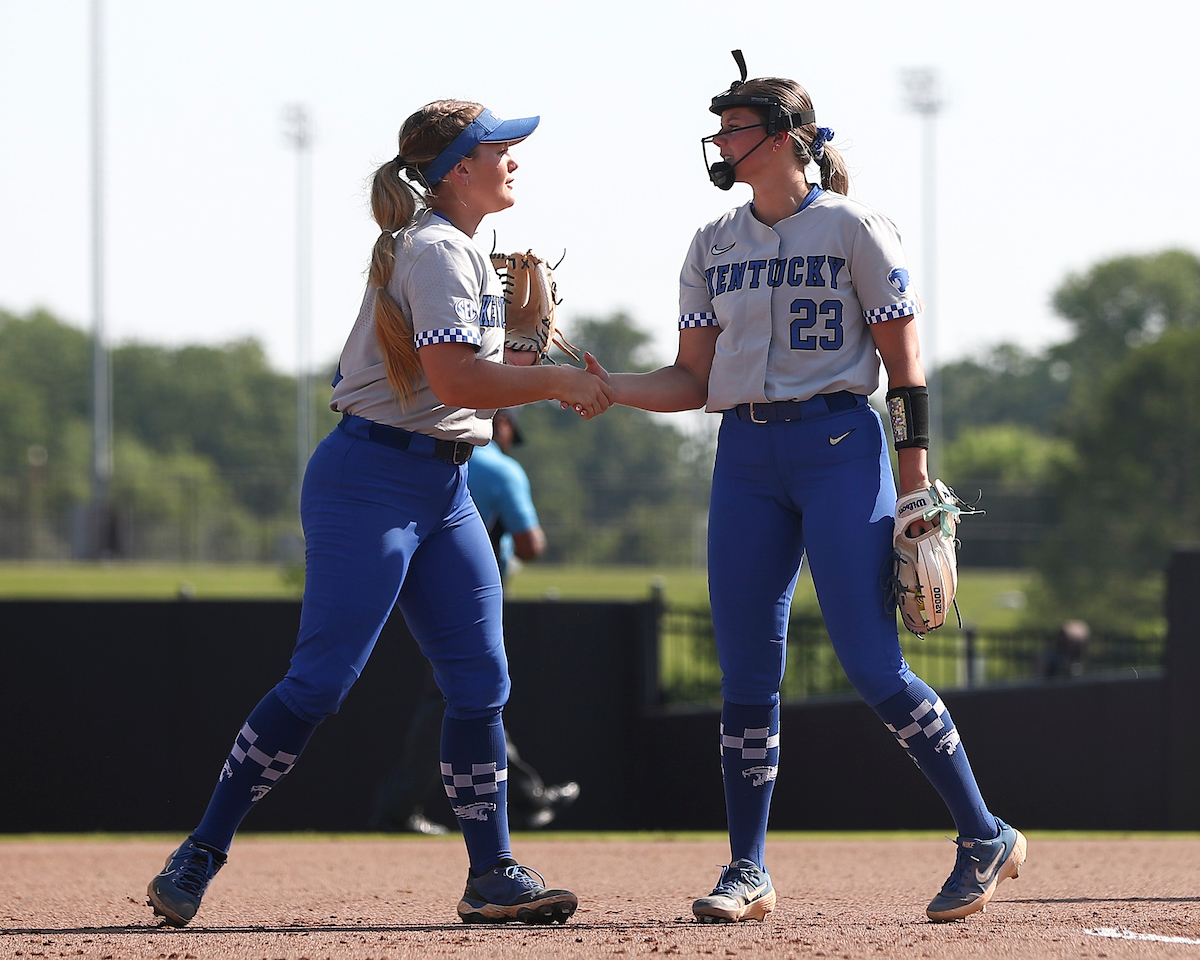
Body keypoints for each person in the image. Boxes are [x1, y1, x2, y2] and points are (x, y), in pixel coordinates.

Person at [145, 99, 613, 928]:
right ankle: (200, 852)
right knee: (321, 683)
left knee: (480, 685)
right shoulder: (436, 250)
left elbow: (470, 384)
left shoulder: (458, 249)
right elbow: (462, 385)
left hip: (445, 486)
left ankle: (491, 873)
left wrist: (532, 348)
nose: (513, 157)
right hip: (371, 480)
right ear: (456, 168)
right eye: (498, 146)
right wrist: (558, 379)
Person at [585, 54, 1026, 923]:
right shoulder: (712, 241)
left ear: (784, 139)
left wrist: (914, 488)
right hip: (745, 456)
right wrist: (609, 386)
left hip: (839, 447)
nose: (718, 141)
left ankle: (984, 832)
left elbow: (905, 371)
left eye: (733, 128)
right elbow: (691, 378)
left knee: (871, 663)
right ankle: (746, 871)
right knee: (747, 671)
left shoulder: (857, 227)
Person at [368, 407, 580, 834]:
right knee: (459, 692)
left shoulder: (425, 452)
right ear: (499, 423)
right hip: (472, 587)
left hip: (411, 578)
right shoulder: (503, 470)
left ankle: (526, 794)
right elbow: (531, 543)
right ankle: (397, 808)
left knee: (469, 689)